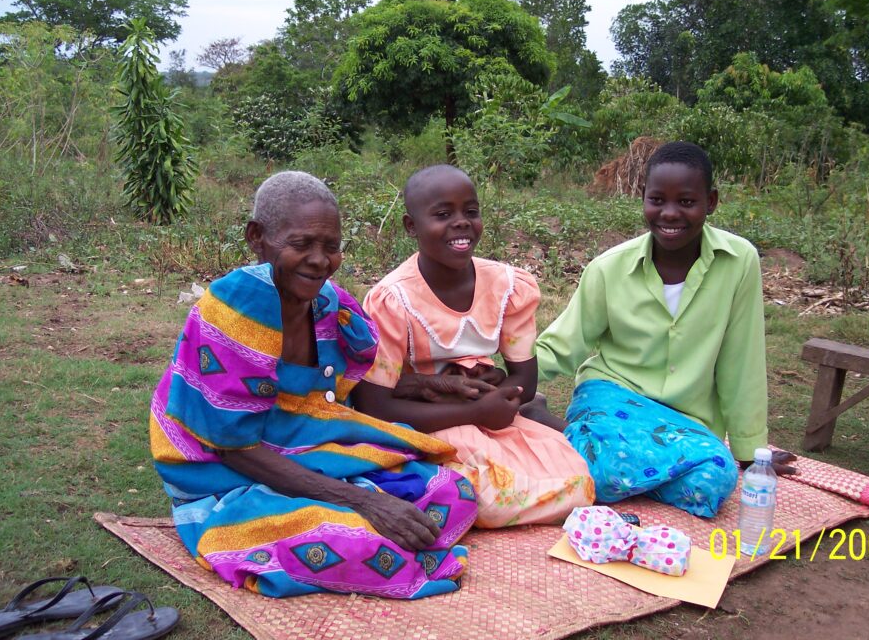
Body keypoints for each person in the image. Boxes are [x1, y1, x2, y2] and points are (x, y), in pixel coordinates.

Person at [149, 171, 477, 600]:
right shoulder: (232, 311)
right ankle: (357, 535)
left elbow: (348, 382)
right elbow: (234, 449)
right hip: (226, 475)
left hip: (302, 449)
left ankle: (365, 528)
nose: (320, 261)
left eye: (331, 247)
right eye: (301, 244)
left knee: (455, 491)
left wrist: (433, 385)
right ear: (257, 238)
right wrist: (364, 502)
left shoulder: (327, 303)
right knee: (355, 545)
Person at [535, 141, 794, 519]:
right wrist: (507, 375)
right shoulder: (608, 268)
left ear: (711, 202)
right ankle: (554, 425)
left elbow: (743, 359)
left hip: (685, 420)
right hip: (612, 396)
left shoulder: (739, 261)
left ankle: (572, 444)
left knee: (714, 478)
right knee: (610, 466)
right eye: (657, 200)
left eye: (686, 202)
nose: (670, 213)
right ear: (643, 197)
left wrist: (749, 450)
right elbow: (565, 343)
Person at [352, 165, 594, 528]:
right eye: (442, 214)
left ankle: (529, 421)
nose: (461, 222)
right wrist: (474, 411)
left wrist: (499, 399)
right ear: (411, 226)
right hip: (426, 419)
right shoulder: (393, 300)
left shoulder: (507, 286)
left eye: (471, 211)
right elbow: (374, 405)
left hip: (490, 409)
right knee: (490, 496)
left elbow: (525, 379)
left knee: (580, 480)